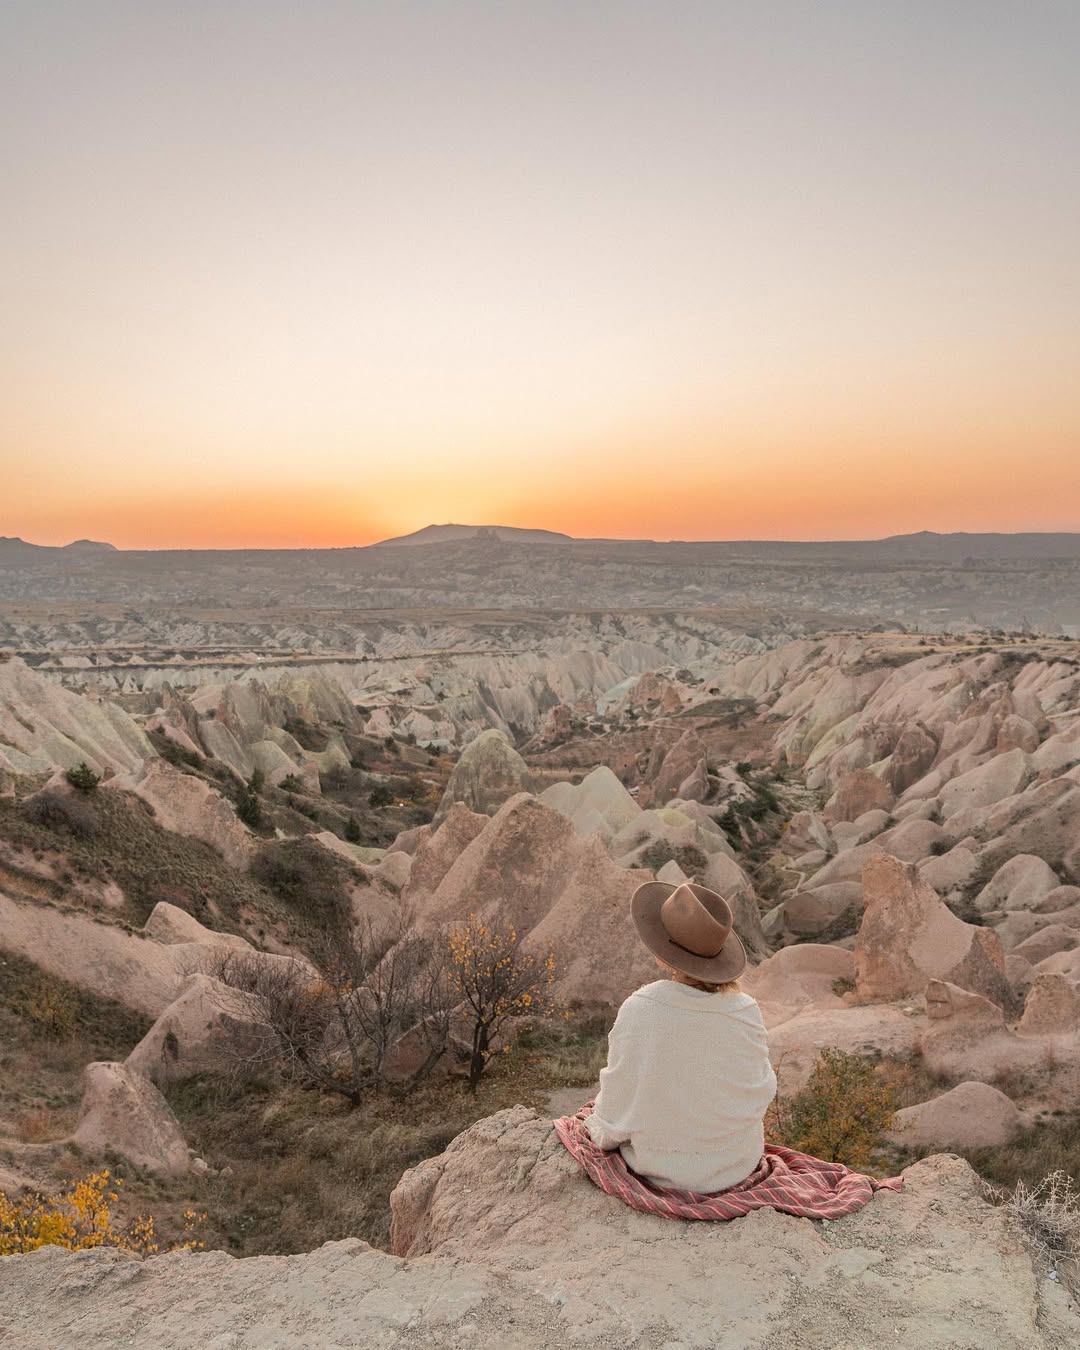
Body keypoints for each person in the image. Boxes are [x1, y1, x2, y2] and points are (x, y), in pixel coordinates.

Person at [584, 880, 777, 1193]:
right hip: (735, 1165)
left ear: (663, 953)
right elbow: (759, 1088)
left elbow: (619, 1101)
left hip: (659, 1167)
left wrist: (601, 1127)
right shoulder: (746, 1010)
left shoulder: (641, 1008)